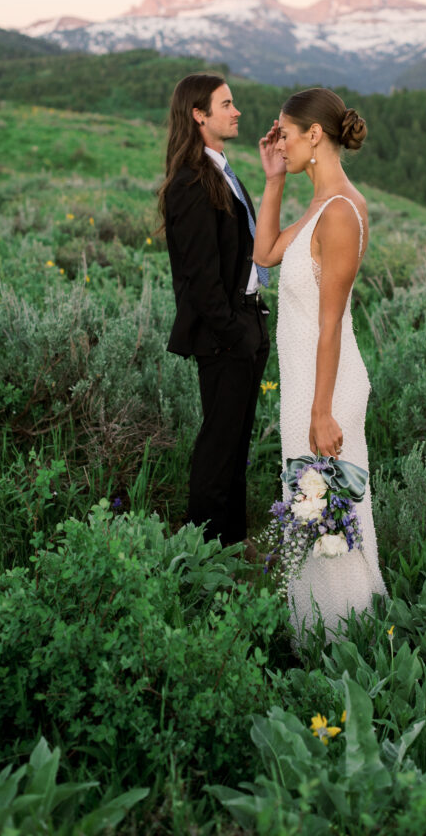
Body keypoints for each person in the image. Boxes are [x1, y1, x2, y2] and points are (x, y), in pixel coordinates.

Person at [255, 87, 386, 640]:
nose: (279, 140)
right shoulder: (317, 203)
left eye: (285, 132)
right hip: (308, 385)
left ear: (315, 134)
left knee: (327, 512)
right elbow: (263, 254)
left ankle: (344, 636)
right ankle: (316, 632)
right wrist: (273, 177)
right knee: (309, 507)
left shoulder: (340, 212)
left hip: (325, 392)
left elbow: (331, 322)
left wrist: (321, 409)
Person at [159, 73, 270, 554]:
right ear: (198, 115)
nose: (237, 110)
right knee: (218, 446)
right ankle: (202, 553)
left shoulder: (222, 171)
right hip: (225, 333)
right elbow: (201, 280)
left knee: (236, 442)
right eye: (226, 104)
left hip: (247, 321)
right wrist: (233, 332)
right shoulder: (189, 183)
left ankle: (232, 544)